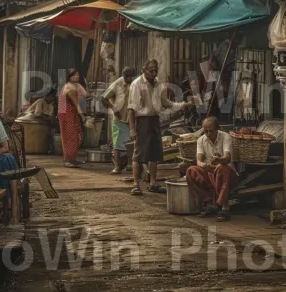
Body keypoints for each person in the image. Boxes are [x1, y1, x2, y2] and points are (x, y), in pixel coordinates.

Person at [128, 59, 194, 195]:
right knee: (138, 154)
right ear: (144, 70)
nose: (154, 72)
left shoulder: (158, 83)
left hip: (154, 120)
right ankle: (136, 184)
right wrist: (132, 129)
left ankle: (153, 183)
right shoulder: (137, 84)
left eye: (155, 70)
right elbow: (131, 110)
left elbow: (166, 102)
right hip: (142, 120)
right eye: (151, 70)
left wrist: (184, 104)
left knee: (154, 154)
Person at [185, 116, 239, 221]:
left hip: (228, 175)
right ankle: (209, 203)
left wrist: (218, 160)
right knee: (191, 170)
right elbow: (199, 160)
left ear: (218, 128)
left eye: (211, 131)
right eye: (206, 131)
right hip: (211, 173)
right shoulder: (201, 140)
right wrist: (204, 165)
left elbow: (227, 158)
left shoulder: (226, 137)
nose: (208, 134)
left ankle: (224, 206)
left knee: (222, 168)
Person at [101, 66, 137, 174]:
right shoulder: (117, 84)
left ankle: (130, 165)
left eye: (131, 77)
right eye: (127, 77)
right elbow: (104, 98)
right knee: (116, 143)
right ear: (124, 76)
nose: (130, 80)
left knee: (132, 143)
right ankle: (116, 166)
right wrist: (113, 108)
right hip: (119, 118)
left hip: (131, 118)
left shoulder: (135, 84)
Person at [58, 68, 87, 168]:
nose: (77, 77)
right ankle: (69, 160)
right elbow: (77, 105)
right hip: (68, 115)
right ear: (69, 77)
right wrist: (83, 117)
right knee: (72, 137)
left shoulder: (68, 86)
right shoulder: (70, 89)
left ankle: (71, 159)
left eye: (78, 75)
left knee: (72, 137)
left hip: (65, 114)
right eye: (74, 75)